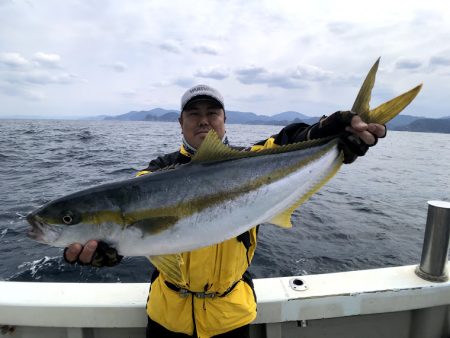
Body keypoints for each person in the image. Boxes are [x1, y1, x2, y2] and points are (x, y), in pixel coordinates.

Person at [64, 84, 386, 338]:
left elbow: (285, 141)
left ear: (224, 119)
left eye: (212, 112)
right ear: (180, 122)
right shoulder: (152, 178)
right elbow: (131, 230)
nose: (203, 119)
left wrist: (326, 133)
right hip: (166, 316)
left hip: (231, 316)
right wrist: (110, 252)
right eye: (193, 113)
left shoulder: (250, 161)